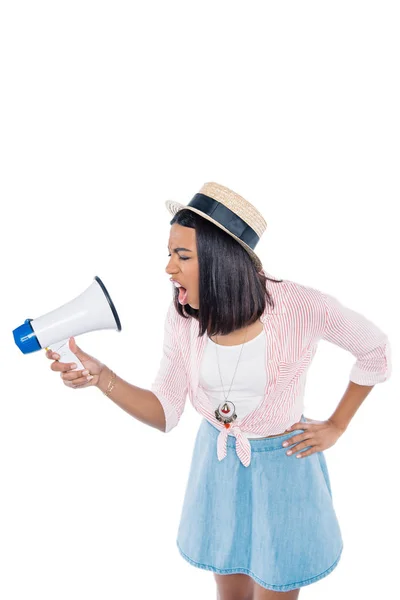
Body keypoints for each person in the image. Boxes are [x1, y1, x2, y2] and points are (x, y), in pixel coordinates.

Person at [46, 181, 392, 600]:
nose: (169, 268)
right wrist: (103, 378)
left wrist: (338, 424)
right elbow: (165, 412)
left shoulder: (303, 307)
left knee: (276, 586)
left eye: (182, 256)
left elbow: (374, 348)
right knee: (229, 591)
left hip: (285, 466)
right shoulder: (183, 319)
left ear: (220, 260)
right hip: (219, 460)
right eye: (170, 254)